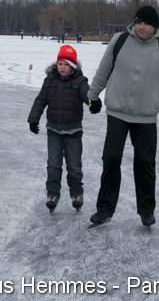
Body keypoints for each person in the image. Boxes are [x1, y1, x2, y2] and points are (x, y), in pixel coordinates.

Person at [87, 6, 159, 227]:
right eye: (139, 22)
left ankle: (146, 210)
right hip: (117, 113)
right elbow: (103, 70)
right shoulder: (119, 40)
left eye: (147, 23)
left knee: (145, 163)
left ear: (156, 26)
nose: (142, 27)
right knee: (111, 159)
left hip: (146, 117)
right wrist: (92, 96)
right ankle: (105, 208)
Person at [28, 45, 98, 212]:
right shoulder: (50, 81)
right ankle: (52, 194)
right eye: (60, 64)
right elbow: (40, 100)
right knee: (53, 165)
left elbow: (87, 95)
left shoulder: (80, 81)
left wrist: (93, 103)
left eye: (66, 64)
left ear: (73, 66)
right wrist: (33, 119)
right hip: (54, 130)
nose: (62, 67)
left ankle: (76, 193)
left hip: (73, 132)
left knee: (74, 166)